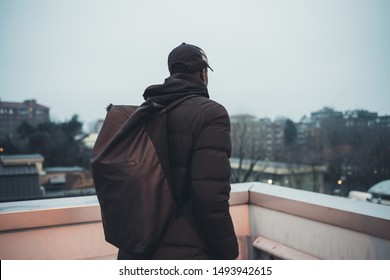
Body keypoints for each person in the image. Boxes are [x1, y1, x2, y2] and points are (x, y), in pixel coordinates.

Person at [118, 43, 239, 260]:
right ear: (202, 73)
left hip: (137, 246)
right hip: (186, 250)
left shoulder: (146, 111)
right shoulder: (212, 114)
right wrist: (228, 252)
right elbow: (209, 195)